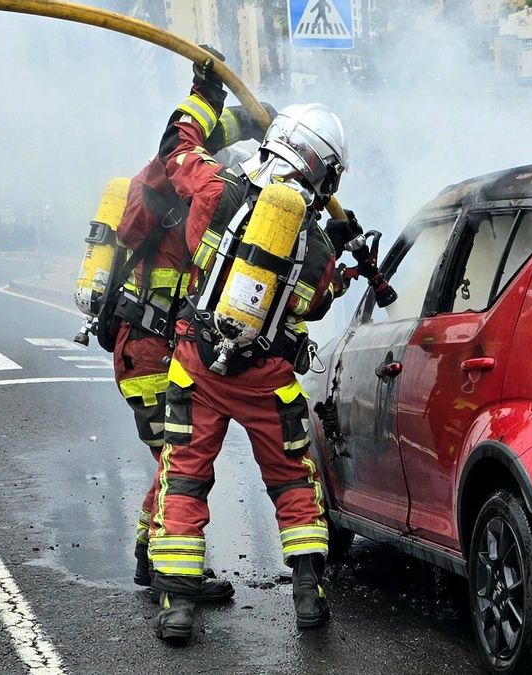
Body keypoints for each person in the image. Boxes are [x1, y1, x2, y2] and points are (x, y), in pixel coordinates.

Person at [146, 53, 378, 642]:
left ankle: (177, 605)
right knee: (294, 479)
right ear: (324, 174)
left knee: (185, 476)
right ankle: (309, 595)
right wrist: (338, 259)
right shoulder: (316, 243)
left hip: (197, 365)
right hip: (266, 379)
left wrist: (204, 95)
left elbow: (176, 151)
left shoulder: (216, 188)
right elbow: (312, 303)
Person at [111, 48, 271, 602]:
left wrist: (253, 122)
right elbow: (178, 150)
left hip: (154, 348)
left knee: (170, 463)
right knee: (180, 467)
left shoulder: (190, 199)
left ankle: (147, 556)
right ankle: (172, 575)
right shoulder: (156, 187)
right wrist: (207, 95)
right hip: (147, 350)